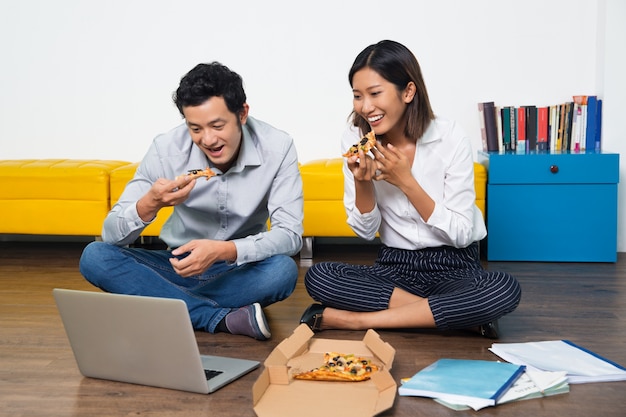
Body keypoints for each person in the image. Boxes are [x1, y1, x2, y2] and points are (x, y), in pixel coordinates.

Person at [299, 40, 521, 339]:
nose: (366, 107)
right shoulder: (355, 138)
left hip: (455, 264)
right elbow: (365, 232)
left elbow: (461, 232)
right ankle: (461, 318)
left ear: (408, 91)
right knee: (320, 277)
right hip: (394, 264)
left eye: (375, 94)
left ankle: (355, 321)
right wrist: (362, 181)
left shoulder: (449, 137)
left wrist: (406, 181)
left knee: (502, 290)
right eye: (357, 96)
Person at [80, 62, 304, 341]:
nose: (208, 139)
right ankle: (215, 316)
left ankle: (161, 301)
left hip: (239, 267)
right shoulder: (166, 148)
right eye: (195, 128)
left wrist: (222, 251)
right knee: (95, 256)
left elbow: (290, 236)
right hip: (175, 266)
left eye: (217, 125)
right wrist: (150, 203)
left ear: (242, 114)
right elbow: (111, 235)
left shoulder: (278, 147)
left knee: (282, 271)